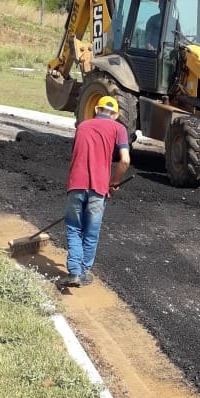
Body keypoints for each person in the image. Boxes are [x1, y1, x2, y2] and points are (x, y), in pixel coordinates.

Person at [62, 95, 130, 287]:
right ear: (115, 114)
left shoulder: (82, 126)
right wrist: (114, 181)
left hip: (76, 185)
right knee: (91, 232)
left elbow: (76, 153)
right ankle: (83, 273)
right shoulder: (119, 128)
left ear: (96, 110)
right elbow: (125, 160)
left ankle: (74, 272)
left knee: (74, 228)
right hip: (99, 189)